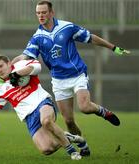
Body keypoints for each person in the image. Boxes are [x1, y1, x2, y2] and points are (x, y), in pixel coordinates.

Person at [12, 0, 130, 156]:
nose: (41, 15)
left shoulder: (66, 27)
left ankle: (103, 112)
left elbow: (91, 37)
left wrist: (113, 47)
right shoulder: (37, 37)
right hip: (59, 81)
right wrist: (10, 67)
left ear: (51, 13)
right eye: (38, 13)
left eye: (44, 12)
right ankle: (84, 146)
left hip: (77, 74)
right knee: (68, 121)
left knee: (85, 107)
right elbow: (25, 55)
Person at [0, 54, 88, 160]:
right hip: (29, 117)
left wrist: (18, 74)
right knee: (47, 149)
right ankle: (69, 136)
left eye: (1, 66)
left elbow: (37, 66)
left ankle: (72, 152)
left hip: (42, 102)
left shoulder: (19, 66)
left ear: (9, 63)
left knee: (46, 121)